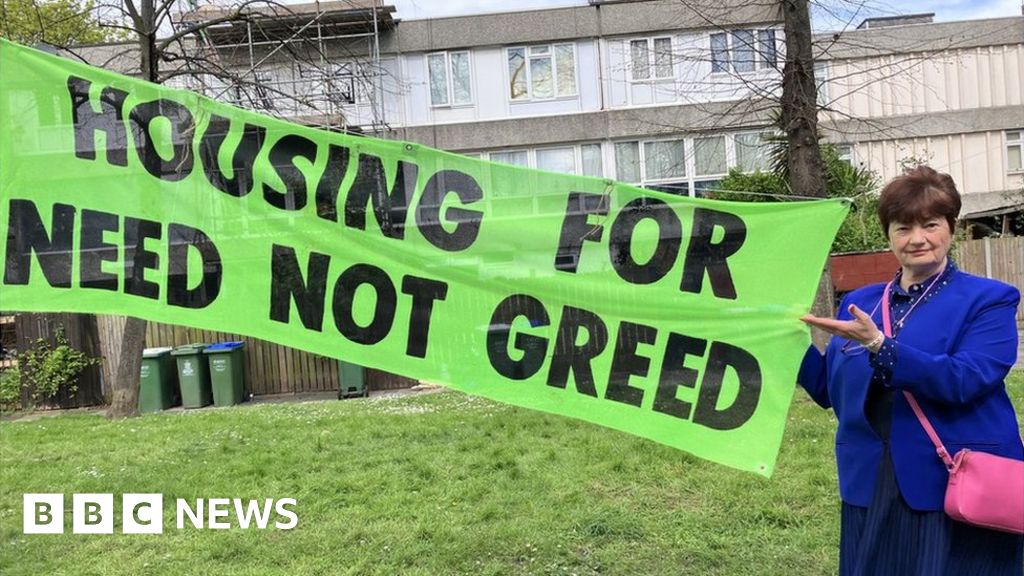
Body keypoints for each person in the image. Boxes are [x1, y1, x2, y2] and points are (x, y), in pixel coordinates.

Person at [798, 165, 1024, 576]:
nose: (917, 239)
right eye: (903, 228)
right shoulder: (861, 302)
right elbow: (829, 389)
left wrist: (879, 345)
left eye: (930, 225)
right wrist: (780, 340)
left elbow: (963, 379)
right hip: (871, 480)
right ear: (888, 235)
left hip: (953, 481)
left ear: (951, 227)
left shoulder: (989, 300)